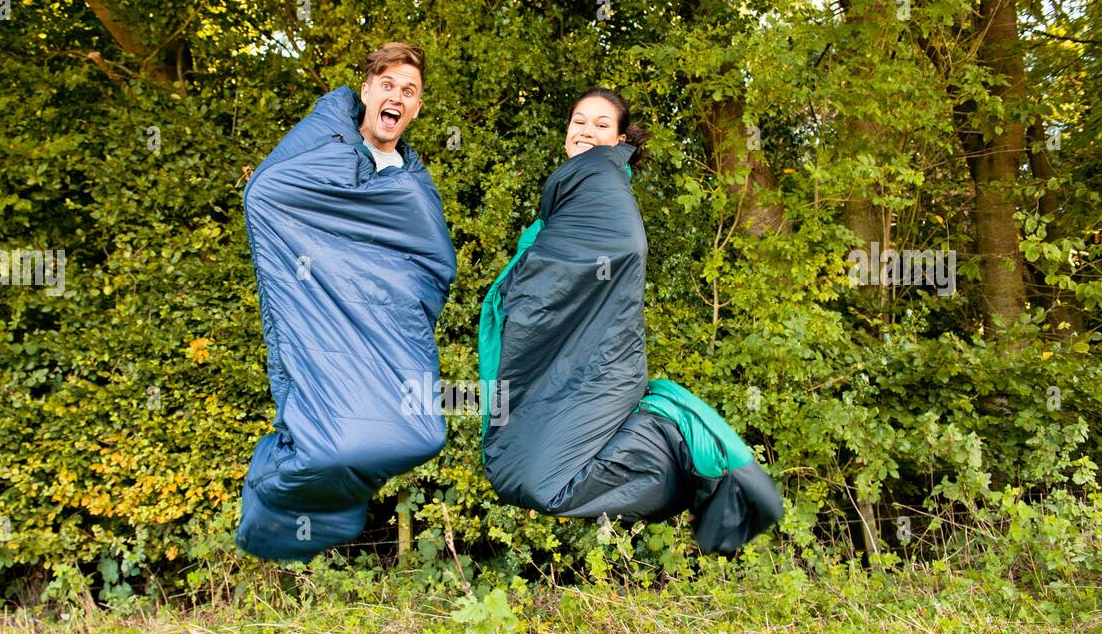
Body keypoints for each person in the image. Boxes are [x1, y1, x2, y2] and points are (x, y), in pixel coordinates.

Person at [478, 86, 783, 555]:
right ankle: (668, 446)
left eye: (602, 125)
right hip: (562, 364)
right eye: (580, 121)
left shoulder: (603, 185)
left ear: (620, 139)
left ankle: (671, 432)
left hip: (602, 364)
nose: (587, 131)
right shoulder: (569, 197)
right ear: (566, 133)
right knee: (513, 470)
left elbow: (621, 250)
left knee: (539, 481)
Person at [236, 43, 457, 561]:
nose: (397, 97)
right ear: (367, 91)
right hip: (320, 320)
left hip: (386, 332)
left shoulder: (413, 184)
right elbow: (265, 195)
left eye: (409, 91)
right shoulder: (325, 148)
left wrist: (391, 296)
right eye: (388, 85)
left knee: (421, 435)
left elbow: (432, 266)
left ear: (417, 108)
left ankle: (329, 501)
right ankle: (269, 501)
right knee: (332, 446)